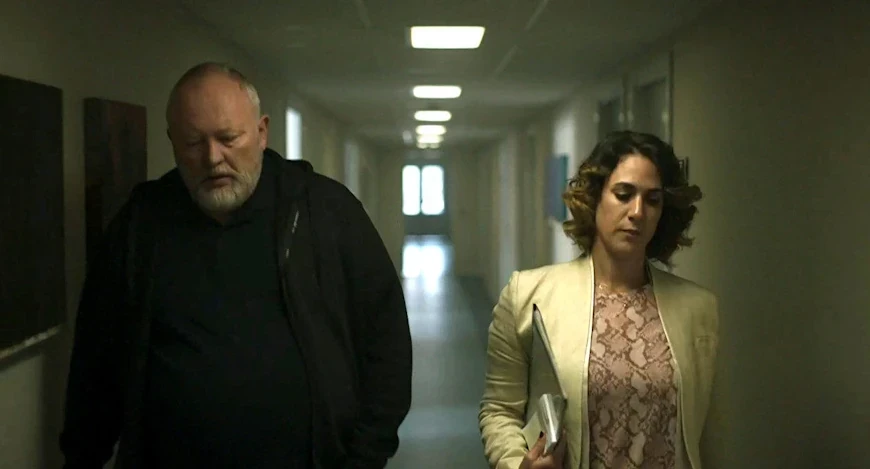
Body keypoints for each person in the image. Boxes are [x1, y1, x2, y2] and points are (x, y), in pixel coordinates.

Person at [59, 62, 412, 469]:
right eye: (193, 142)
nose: (213, 158)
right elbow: (96, 362)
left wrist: (365, 457)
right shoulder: (140, 226)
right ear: (172, 142)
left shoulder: (326, 213)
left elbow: (386, 343)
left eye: (228, 138)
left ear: (261, 132)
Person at [478, 130, 718, 469]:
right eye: (623, 194)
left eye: (653, 200)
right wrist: (519, 464)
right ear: (594, 199)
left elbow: (707, 434)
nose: (637, 212)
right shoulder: (529, 296)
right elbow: (500, 410)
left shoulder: (697, 309)